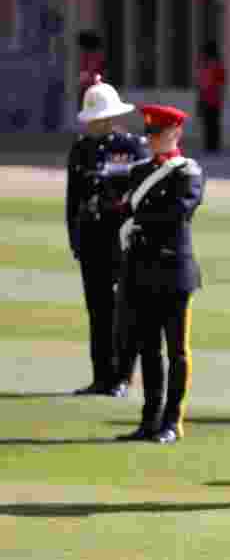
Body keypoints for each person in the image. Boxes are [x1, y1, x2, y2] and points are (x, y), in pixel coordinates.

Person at [116, 104, 204, 443]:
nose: (153, 139)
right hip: (141, 268)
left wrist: (138, 221)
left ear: (176, 133)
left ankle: (172, 421)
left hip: (173, 269)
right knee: (148, 348)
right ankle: (150, 419)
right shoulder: (139, 171)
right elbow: (126, 206)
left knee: (177, 350)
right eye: (150, 133)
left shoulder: (188, 172)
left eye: (160, 133)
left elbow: (179, 211)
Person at [67, 79, 149, 397]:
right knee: (98, 310)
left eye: (101, 117)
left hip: (122, 242)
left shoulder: (132, 147)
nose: (97, 123)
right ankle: (101, 376)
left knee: (123, 312)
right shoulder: (80, 148)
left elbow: (138, 196)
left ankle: (122, 377)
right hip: (91, 241)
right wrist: (75, 239)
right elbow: (72, 201)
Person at [196, 41, 226, 153]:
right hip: (213, 97)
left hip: (208, 97)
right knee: (212, 122)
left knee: (209, 122)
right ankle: (212, 145)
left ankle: (211, 145)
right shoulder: (214, 64)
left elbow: (203, 82)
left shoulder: (208, 65)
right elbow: (221, 81)